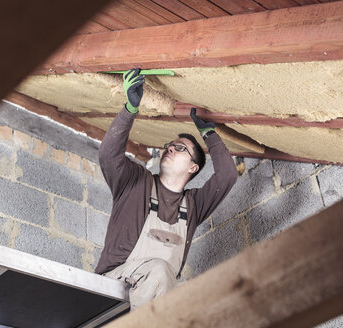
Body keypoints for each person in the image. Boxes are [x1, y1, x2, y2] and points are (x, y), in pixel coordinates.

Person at [95, 68, 238, 310]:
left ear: (193, 167)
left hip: (157, 294)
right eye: (169, 146)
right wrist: (130, 109)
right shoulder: (136, 181)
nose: (170, 148)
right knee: (161, 271)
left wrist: (209, 134)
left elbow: (227, 176)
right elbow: (108, 155)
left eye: (180, 148)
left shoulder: (193, 206)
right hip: (115, 282)